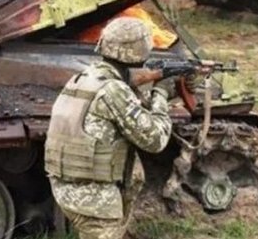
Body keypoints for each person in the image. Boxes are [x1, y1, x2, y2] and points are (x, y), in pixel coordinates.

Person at [45, 17, 177, 239]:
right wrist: (161, 95)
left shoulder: (86, 76)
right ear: (139, 51)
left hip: (70, 187)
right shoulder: (113, 90)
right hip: (93, 198)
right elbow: (155, 140)